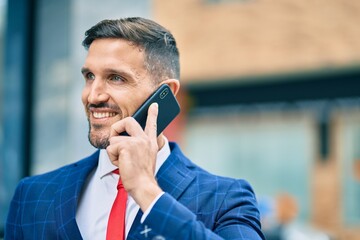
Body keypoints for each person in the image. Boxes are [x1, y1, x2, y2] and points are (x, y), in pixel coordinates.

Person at [5, 17, 265, 240]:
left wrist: (146, 191)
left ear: (167, 94)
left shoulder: (225, 198)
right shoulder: (33, 195)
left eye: (116, 78)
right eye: (89, 76)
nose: (93, 96)